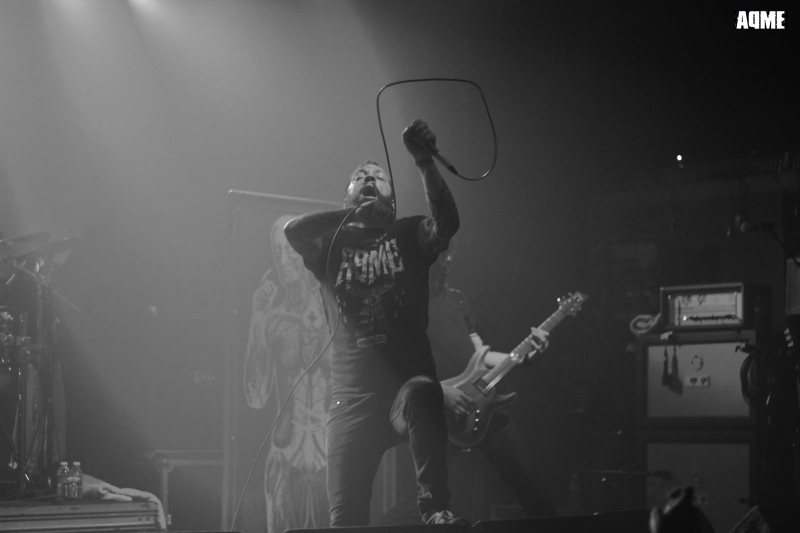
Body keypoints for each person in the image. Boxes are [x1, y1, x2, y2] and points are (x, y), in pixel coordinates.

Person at [283, 119, 464, 527]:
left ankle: (436, 510)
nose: (368, 178)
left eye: (378, 177)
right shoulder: (330, 245)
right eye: (360, 177)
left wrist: (424, 161)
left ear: (391, 198)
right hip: (350, 403)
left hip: (404, 392)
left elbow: (447, 225)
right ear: (347, 196)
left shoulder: (408, 232)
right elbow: (294, 232)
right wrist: (353, 216)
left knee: (423, 390)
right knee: (346, 520)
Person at [379, 241, 557, 524]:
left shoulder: (457, 299)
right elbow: (395, 364)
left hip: (481, 405)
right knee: (421, 504)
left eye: (451, 253)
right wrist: (439, 392)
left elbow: (480, 355)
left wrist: (525, 355)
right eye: (442, 254)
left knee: (530, 488)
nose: (448, 260)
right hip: (438, 411)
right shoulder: (404, 301)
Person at [243, 214, 332, 532]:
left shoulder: (335, 315)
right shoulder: (274, 319)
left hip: (331, 461)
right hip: (285, 457)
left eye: (289, 250)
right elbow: (256, 397)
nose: (282, 260)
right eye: (276, 251)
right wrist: (258, 320)